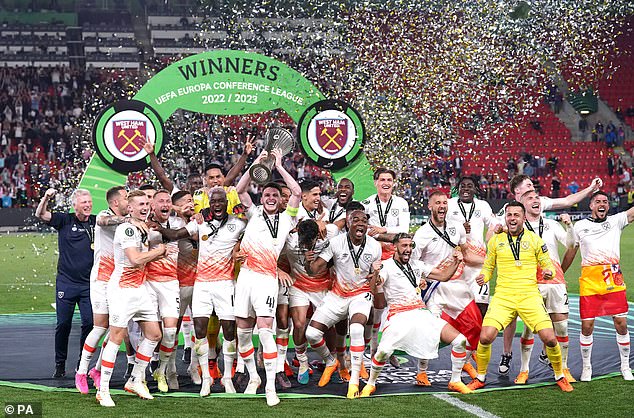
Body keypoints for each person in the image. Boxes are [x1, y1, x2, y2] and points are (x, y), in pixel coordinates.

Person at [497, 174, 602, 375]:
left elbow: (571, 237)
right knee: (523, 324)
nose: (536, 197)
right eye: (528, 190)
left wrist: (589, 190)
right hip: (526, 282)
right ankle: (513, 359)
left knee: (558, 324)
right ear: (518, 195)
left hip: (553, 282)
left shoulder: (549, 220)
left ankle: (559, 365)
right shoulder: (510, 219)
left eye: (535, 194)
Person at [467, 201, 573, 393]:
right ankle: (480, 377)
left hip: (529, 296)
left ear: (524, 218)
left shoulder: (535, 240)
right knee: (485, 336)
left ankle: (560, 375)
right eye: (509, 215)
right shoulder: (495, 241)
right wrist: (485, 276)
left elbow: (546, 263)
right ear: (505, 217)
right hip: (503, 296)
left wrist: (548, 271)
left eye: (517, 215)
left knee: (549, 338)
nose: (513, 218)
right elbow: (489, 265)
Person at [361, 233, 472, 396]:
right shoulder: (386, 266)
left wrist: (457, 261)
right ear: (395, 247)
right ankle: (371, 383)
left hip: (421, 313)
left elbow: (443, 276)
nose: (408, 250)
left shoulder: (417, 265)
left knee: (460, 340)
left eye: (410, 246)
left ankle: (455, 381)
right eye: (404, 246)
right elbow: (373, 287)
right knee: (383, 352)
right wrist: (376, 273)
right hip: (398, 315)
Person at [234, 148, 301, 406]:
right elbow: (240, 190)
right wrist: (258, 162)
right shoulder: (252, 213)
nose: (271, 197)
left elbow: (296, 192)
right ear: (261, 198)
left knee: (264, 332)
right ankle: (253, 377)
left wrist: (280, 165)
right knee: (242, 334)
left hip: (266, 280)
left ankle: (270, 387)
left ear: (280, 200)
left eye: (275, 195)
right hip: (246, 278)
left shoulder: (287, 218)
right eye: (267, 194)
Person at [97, 191, 171, 407]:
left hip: (139, 288)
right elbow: (136, 259)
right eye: (140, 204)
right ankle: (103, 390)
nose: (145, 207)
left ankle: (135, 380)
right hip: (122, 290)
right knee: (117, 337)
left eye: (147, 203)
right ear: (129, 208)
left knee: (154, 334)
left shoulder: (143, 227)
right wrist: (159, 252)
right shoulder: (128, 228)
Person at [304, 204, 382, 399]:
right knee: (312, 334)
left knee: (356, 329)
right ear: (347, 223)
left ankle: (354, 381)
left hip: (360, 295)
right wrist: (308, 259)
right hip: (338, 295)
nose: (360, 224)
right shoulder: (336, 242)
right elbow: (314, 269)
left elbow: (374, 281)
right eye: (355, 220)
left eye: (364, 221)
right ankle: (331, 362)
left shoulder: (374, 246)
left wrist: (377, 277)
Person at [74, 186, 147, 393]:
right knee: (100, 326)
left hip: (118, 281)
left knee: (118, 327)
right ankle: (81, 371)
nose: (129, 200)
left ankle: (96, 370)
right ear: (115, 202)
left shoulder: (131, 223)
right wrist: (127, 220)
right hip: (101, 280)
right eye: (126, 198)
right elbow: (102, 221)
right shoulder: (106, 215)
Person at [412, 191, 484, 385]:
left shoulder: (456, 228)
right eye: (437, 203)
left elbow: (464, 252)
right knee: (431, 333)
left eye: (444, 202)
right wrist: (420, 280)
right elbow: (413, 262)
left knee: (475, 324)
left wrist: (488, 262)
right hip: (433, 289)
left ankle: (465, 363)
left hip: (455, 286)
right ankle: (421, 372)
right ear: (430, 206)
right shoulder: (422, 234)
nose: (442, 206)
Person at [561, 191, 634, 381]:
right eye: (598, 201)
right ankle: (587, 367)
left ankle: (625, 366)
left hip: (613, 281)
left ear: (608, 206)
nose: (602, 204)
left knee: (621, 323)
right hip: (590, 282)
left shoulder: (617, 221)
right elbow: (572, 250)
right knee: (587, 325)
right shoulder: (581, 226)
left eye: (605, 201)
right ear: (591, 206)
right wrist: (561, 272)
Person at [514, 190, 576, 384]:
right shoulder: (518, 227)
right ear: (522, 204)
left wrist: (569, 226)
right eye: (530, 198)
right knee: (528, 329)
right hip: (531, 283)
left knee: (562, 327)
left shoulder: (551, 224)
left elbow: (571, 244)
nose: (536, 201)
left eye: (537, 198)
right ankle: (524, 370)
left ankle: (563, 368)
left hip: (555, 282)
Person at [35, 188, 96, 379]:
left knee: (90, 323)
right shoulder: (65, 220)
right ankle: (60, 363)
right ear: (74, 205)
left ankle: (82, 363)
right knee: (63, 324)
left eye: (89, 201)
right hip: (67, 283)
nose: (87, 205)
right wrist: (46, 197)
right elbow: (40, 214)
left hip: (89, 285)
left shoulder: (96, 222)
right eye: (83, 202)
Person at [363, 168, 410, 357]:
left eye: (389, 179)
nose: (386, 183)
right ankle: (372, 347)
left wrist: (382, 231)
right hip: (374, 260)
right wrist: (388, 233)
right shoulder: (367, 204)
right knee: (374, 305)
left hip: (395, 260)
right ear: (375, 182)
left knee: (394, 305)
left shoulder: (401, 203)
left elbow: (403, 229)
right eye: (382, 179)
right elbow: (364, 230)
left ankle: (386, 349)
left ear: (394, 182)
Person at [145, 190, 185, 393]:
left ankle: (161, 371)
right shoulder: (143, 224)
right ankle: (139, 374)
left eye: (168, 201)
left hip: (171, 283)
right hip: (149, 282)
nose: (165, 204)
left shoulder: (177, 223)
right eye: (160, 201)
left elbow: (194, 215)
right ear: (152, 205)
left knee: (170, 332)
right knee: (152, 332)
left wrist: (178, 207)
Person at [446, 175, 498, 316]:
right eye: (463, 186)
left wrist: (491, 235)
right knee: (456, 304)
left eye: (470, 186)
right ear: (458, 188)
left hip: (478, 262)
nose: (466, 189)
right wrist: (458, 228)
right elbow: (440, 225)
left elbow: (493, 225)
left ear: (475, 189)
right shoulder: (449, 204)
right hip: (457, 259)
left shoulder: (483, 205)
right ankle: (458, 336)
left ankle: (478, 337)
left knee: (481, 302)